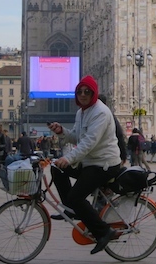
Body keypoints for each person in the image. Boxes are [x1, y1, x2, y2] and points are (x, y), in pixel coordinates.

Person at [47, 75, 122, 255]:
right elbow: (77, 136)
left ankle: (104, 232)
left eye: (87, 91)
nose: (82, 94)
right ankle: (72, 210)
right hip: (90, 162)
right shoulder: (82, 112)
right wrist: (62, 132)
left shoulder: (101, 112)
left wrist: (69, 158)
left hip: (104, 164)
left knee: (76, 196)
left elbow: (89, 142)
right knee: (57, 169)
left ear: (93, 93)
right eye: (79, 91)